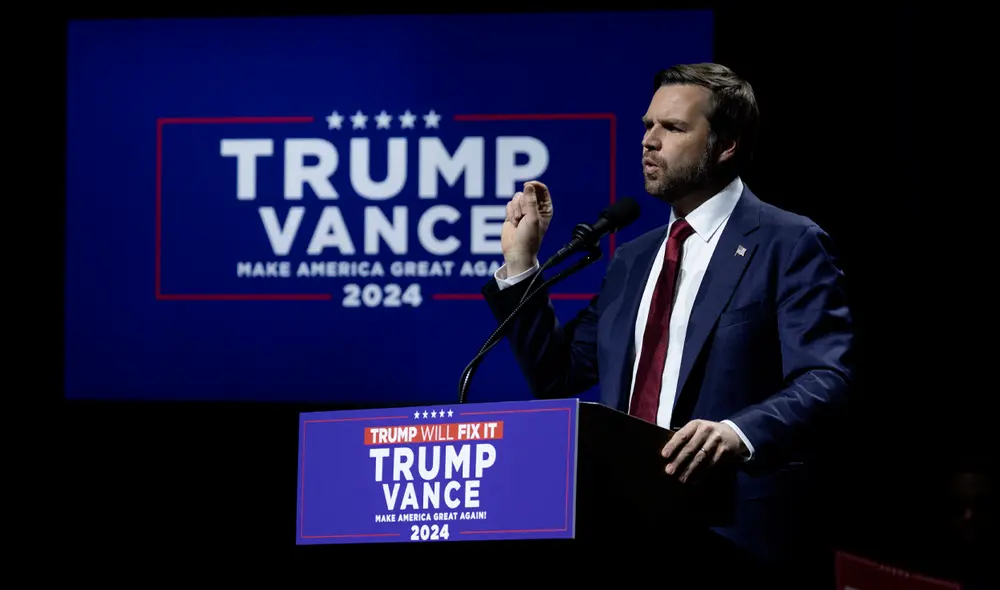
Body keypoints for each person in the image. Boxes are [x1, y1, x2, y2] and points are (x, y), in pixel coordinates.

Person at [482, 63, 854, 584]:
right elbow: (557, 376)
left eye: (673, 128)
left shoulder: (787, 243)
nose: (649, 141)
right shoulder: (633, 259)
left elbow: (825, 377)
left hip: (730, 534)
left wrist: (737, 432)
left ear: (726, 146)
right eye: (647, 125)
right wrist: (521, 263)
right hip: (621, 531)